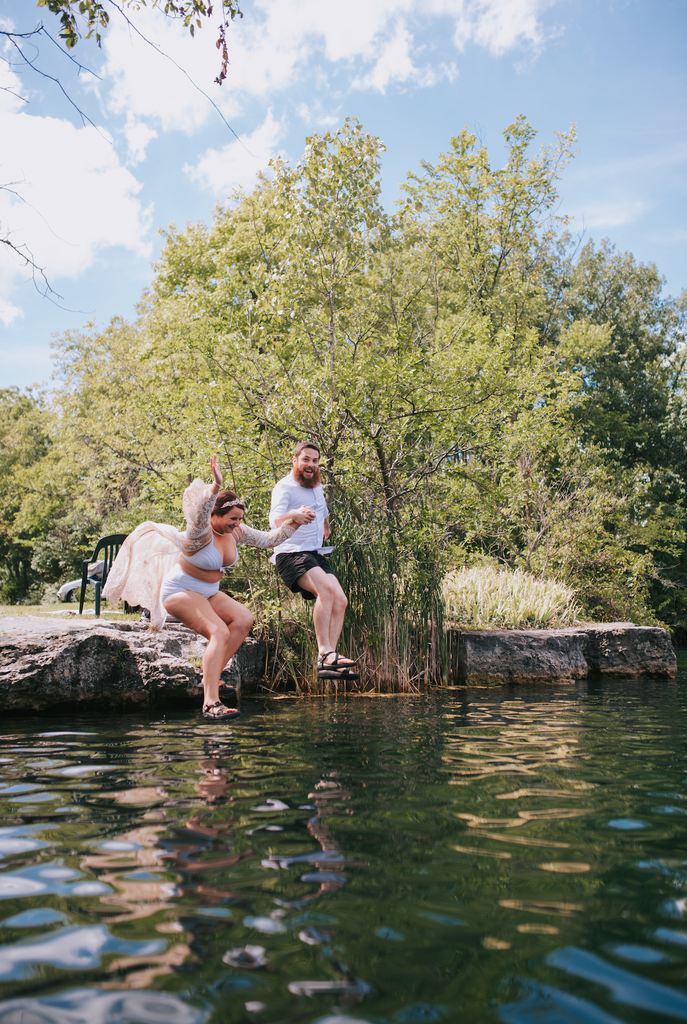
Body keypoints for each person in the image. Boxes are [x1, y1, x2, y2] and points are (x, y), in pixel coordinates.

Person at [104, 456, 297, 719]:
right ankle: (210, 702)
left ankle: (211, 675)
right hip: (179, 590)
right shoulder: (200, 533)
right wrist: (216, 485)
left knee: (244, 618)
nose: (237, 524)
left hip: (207, 592)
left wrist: (296, 521)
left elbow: (270, 539)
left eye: (240, 519)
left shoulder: (236, 532)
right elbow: (200, 512)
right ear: (216, 515)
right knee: (218, 631)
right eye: (232, 518)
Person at [269, 441, 357, 679]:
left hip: (314, 552)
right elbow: (275, 520)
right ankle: (324, 653)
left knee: (340, 600)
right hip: (290, 552)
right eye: (306, 459)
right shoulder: (284, 487)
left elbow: (323, 509)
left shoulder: (316, 485)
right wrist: (294, 514)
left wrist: (325, 526)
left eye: (315, 461)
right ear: (295, 460)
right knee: (326, 590)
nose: (310, 465)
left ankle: (329, 660)